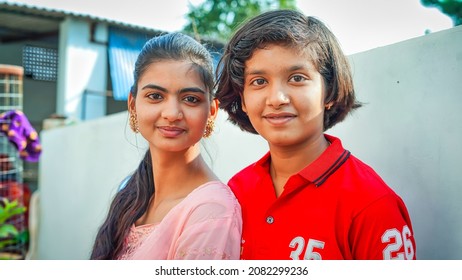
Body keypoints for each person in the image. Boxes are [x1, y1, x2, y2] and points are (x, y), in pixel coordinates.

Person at [215, 9, 416, 260]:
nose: (277, 98)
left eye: (297, 78)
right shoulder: (236, 190)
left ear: (329, 92)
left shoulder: (371, 204)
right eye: (258, 81)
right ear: (242, 98)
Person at [91, 32, 242, 260]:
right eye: (155, 96)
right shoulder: (132, 196)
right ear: (133, 104)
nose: (172, 114)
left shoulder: (211, 211)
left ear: (211, 111)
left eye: (190, 99)